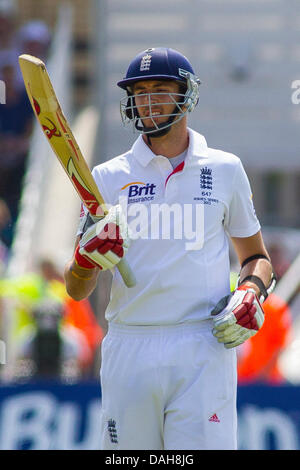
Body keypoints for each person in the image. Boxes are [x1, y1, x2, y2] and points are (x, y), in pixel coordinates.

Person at [64, 47, 276, 450]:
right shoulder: (106, 178)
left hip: (203, 344)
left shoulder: (224, 168)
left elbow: (256, 258)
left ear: (188, 95)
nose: (148, 101)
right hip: (130, 343)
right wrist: (85, 259)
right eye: (139, 91)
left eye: (160, 89)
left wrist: (251, 291)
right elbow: (76, 288)